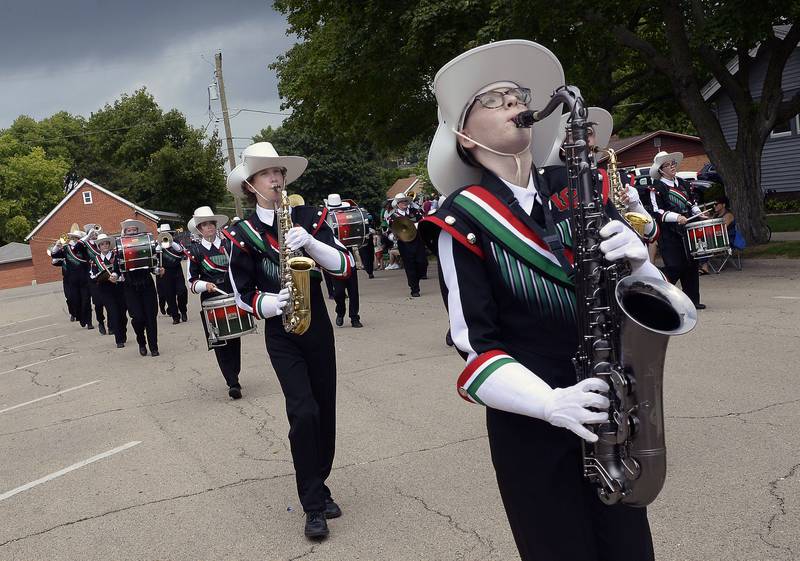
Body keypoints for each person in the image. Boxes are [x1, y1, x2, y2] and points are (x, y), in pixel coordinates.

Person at [419, 39, 661, 561]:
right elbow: (475, 349)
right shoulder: (461, 218)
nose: (512, 101)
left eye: (516, 94)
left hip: (611, 409)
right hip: (532, 425)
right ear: (464, 136)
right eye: (492, 99)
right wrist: (549, 403)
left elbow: (639, 299)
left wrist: (642, 265)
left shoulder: (580, 187)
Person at [225, 142, 354, 539]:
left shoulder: (311, 218)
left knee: (325, 411)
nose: (276, 178)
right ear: (251, 185)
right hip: (281, 330)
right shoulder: (242, 233)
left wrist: (311, 244)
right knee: (303, 413)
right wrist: (267, 303)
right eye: (267, 173)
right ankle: (312, 505)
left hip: (317, 325)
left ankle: (320, 481)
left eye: (279, 171)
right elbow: (240, 291)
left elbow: (345, 266)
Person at [185, 208, 243, 399]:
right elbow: (192, 282)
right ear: (199, 229)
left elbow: (240, 268)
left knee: (234, 338)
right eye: (204, 225)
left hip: (231, 295)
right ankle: (232, 382)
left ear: (216, 226)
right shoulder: (194, 251)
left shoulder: (228, 245)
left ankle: (235, 373)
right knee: (219, 341)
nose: (209, 227)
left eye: (211, 224)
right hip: (211, 301)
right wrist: (205, 285)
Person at [647, 151, 706, 309]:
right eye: (668, 165)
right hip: (668, 233)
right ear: (661, 170)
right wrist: (676, 217)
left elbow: (691, 203)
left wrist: (699, 213)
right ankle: (659, 296)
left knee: (691, 264)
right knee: (674, 266)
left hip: (687, 230)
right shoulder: (656, 188)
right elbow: (657, 211)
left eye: (673, 163)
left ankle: (692, 301)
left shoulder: (683, 184)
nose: (672, 166)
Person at [115, 218, 164, 356]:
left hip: (146, 284)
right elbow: (117, 269)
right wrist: (115, 276)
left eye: (134, 230)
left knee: (151, 317)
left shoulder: (146, 244)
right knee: (138, 318)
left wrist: (158, 270)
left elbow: (153, 266)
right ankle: (141, 342)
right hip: (130, 286)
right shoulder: (120, 248)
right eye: (129, 230)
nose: (132, 232)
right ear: (125, 232)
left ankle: (154, 347)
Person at [88, 233, 128, 348]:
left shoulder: (117, 256)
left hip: (119, 287)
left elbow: (123, 270)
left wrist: (116, 277)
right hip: (105, 289)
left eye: (106, 243)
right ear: (99, 247)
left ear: (109, 245)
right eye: (102, 244)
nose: (105, 246)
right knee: (113, 313)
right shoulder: (95, 260)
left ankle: (123, 331)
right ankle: (119, 340)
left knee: (122, 314)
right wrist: (102, 276)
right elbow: (92, 275)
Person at [50, 228, 93, 329]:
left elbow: (78, 247)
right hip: (72, 282)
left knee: (86, 302)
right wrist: (57, 245)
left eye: (77, 238)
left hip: (84, 280)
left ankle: (89, 322)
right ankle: (81, 318)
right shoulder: (66, 249)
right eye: (73, 238)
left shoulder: (83, 247)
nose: (74, 239)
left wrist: (87, 237)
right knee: (76, 301)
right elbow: (53, 255)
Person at [387, 193, 428, 296]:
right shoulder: (393, 217)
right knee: (410, 266)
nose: (404, 203)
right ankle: (414, 289)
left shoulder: (415, 212)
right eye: (402, 202)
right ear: (397, 204)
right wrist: (393, 236)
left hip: (417, 240)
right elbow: (391, 231)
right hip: (404, 243)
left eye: (405, 201)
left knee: (422, 262)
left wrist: (416, 225)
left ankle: (415, 279)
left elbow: (423, 221)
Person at [157, 224, 189, 324]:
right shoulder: (157, 245)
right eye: (163, 234)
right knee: (169, 295)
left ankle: (183, 310)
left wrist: (171, 242)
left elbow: (181, 251)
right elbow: (154, 257)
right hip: (165, 272)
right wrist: (159, 245)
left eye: (168, 233)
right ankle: (175, 316)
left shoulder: (176, 242)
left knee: (182, 292)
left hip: (177, 270)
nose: (165, 235)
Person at [83, 224, 108, 334]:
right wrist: (88, 236)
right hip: (93, 277)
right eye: (91, 233)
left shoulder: (102, 243)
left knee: (109, 301)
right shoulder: (85, 245)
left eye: (95, 232)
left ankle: (111, 324)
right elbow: (78, 245)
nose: (94, 234)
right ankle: (101, 322)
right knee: (98, 303)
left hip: (107, 275)